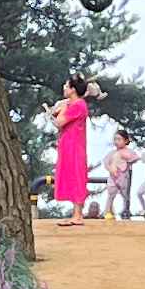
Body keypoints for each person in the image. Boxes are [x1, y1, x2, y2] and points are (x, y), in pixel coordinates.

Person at [50, 75, 93, 219]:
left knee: (76, 177)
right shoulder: (73, 104)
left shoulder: (78, 105)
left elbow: (59, 122)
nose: (64, 88)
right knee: (70, 176)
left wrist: (60, 109)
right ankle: (76, 214)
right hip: (68, 145)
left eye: (66, 86)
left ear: (73, 89)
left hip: (74, 146)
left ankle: (77, 215)